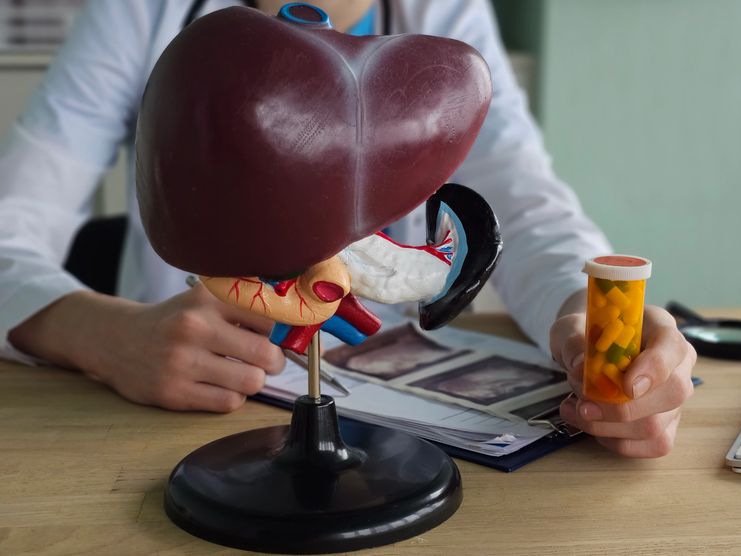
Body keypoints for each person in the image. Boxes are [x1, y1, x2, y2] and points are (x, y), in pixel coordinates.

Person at [0, 0, 695, 458]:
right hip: (162, 427)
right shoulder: (144, 11)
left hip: (387, 422)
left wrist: (587, 315)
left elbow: (520, 199)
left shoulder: (443, 13)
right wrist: (96, 332)